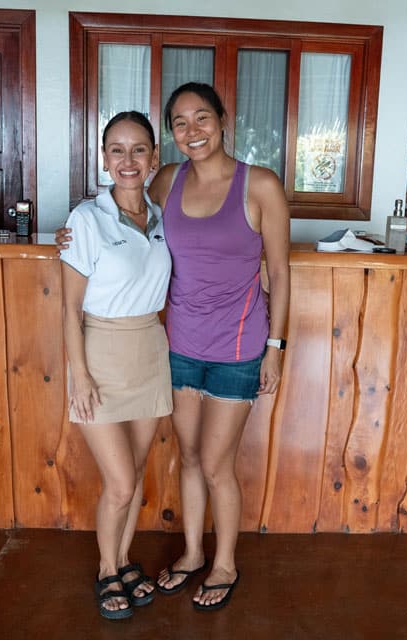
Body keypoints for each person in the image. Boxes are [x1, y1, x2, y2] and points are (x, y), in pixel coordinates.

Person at [59, 82, 290, 612]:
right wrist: (67, 235)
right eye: (180, 122)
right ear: (171, 136)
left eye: (201, 118)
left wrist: (276, 346)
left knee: (215, 463)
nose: (193, 131)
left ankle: (224, 563)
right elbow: (117, 211)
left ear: (223, 119)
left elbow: (278, 269)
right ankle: (189, 554)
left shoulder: (260, 186)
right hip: (179, 344)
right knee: (186, 457)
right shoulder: (167, 180)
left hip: (238, 346)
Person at [60, 111, 172, 620]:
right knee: (121, 482)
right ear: (104, 159)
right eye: (117, 150)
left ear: (153, 157)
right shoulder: (86, 219)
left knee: (138, 472)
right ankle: (108, 570)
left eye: (139, 150)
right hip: (100, 354)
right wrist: (79, 374)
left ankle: (125, 559)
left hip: (150, 348)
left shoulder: (161, 214)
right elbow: (69, 308)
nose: (128, 161)